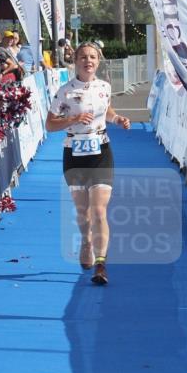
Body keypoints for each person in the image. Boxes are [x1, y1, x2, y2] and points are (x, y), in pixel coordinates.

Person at [45, 41, 131, 286]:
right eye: (83, 57)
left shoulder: (105, 86)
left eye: (92, 57)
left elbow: (108, 112)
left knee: (99, 210)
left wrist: (118, 119)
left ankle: (101, 264)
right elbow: (50, 125)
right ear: (76, 61)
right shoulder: (65, 91)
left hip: (101, 151)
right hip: (74, 152)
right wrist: (72, 118)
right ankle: (86, 242)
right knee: (83, 211)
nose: (88, 61)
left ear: (98, 61)